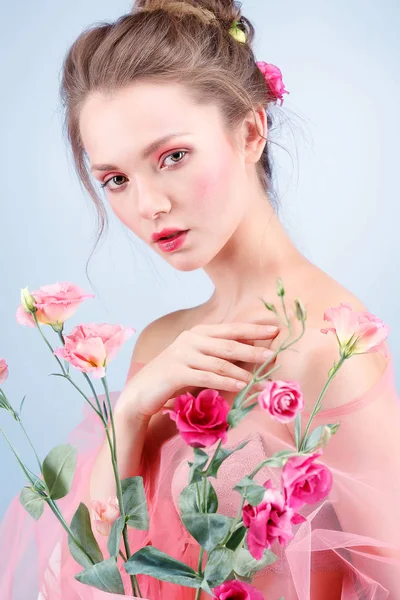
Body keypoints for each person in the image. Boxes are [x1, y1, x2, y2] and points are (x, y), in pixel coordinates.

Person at [1, 1, 400, 598]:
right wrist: (132, 411)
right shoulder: (165, 345)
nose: (149, 205)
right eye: (116, 179)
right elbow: (90, 571)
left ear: (250, 131)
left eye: (172, 157)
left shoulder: (328, 348)